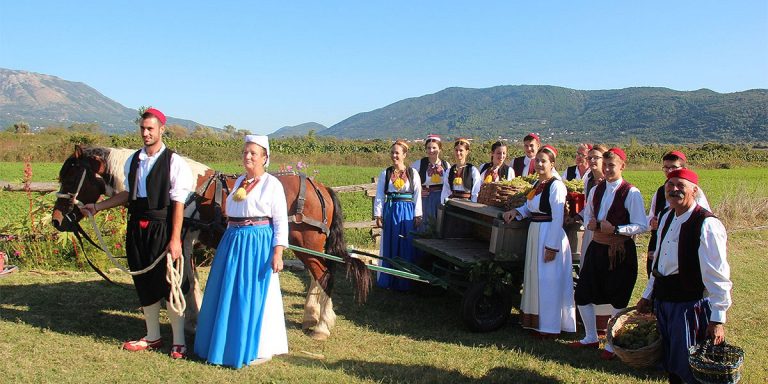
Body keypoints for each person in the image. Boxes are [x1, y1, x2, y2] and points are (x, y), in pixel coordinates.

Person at [80, 108, 194, 359]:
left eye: (150, 129)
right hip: (137, 227)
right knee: (144, 282)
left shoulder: (174, 162)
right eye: (143, 128)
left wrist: (175, 239)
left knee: (170, 282)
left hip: (163, 228)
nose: (145, 133)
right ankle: (152, 336)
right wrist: (98, 207)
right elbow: (128, 195)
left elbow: (177, 204)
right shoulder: (134, 160)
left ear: (162, 129)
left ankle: (179, 341)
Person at [194, 135, 289, 368]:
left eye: (253, 153)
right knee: (227, 290)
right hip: (234, 240)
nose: (247, 156)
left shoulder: (271, 184)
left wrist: (277, 252)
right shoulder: (239, 183)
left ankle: (258, 346)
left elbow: (280, 221)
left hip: (257, 242)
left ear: (265, 158)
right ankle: (225, 341)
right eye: (245, 152)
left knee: (252, 292)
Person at [637, 168, 731, 384]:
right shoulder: (667, 216)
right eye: (670, 185)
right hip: (664, 300)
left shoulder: (707, 224)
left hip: (690, 306)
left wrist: (717, 318)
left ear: (694, 190)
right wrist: (647, 294)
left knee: (691, 366)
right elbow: (660, 262)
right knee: (670, 362)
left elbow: (718, 275)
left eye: (681, 186)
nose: (674, 190)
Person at [569, 148, 648, 359]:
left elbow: (641, 225)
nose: (607, 168)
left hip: (620, 251)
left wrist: (616, 229)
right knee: (583, 292)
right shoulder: (596, 189)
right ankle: (591, 337)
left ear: (622, 166)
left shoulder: (631, 192)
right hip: (597, 247)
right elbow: (587, 214)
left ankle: (611, 344)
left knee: (618, 297)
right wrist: (591, 223)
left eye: (611, 165)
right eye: (605, 165)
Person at [503, 145, 576, 337]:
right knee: (536, 279)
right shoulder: (538, 185)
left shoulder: (556, 186)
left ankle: (549, 326)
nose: (540, 164)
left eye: (544, 161)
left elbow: (557, 217)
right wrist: (516, 212)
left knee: (548, 280)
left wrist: (551, 246)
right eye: (538, 160)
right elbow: (530, 208)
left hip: (549, 234)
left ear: (552, 164)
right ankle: (535, 322)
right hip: (535, 233)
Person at [646, 150, 711, 277]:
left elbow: (702, 219)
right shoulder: (660, 191)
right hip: (660, 239)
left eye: (674, 167)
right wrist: (652, 222)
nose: (669, 171)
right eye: (666, 168)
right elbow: (651, 215)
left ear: (684, 168)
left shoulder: (694, 192)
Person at [575, 144, 614, 335]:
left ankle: (604, 323)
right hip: (591, 231)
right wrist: (576, 216)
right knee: (587, 270)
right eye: (589, 158)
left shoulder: (614, 184)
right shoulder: (588, 179)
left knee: (604, 275)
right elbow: (587, 206)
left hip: (608, 235)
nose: (591, 161)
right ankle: (588, 320)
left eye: (595, 158)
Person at [374, 140, 423, 291]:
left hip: (407, 211)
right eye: (392, 152)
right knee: (391, 242)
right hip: (391, 210)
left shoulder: (412, 172)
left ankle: (404, 281)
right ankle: (388, 280)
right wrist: (378, 214)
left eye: (397, 153)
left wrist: (417, 215)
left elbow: (417, 194)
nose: (394, 155)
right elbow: (380, 196)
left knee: (406, 243)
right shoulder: (386, 173)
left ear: (404, 155)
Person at [410, 134, 450, 230]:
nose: (431, 151)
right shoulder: (418, 164)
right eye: (428, 148)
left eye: (434, 148)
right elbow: (409, 182)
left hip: (440, 199)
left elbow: (449, 184)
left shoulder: (446, 165)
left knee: (439, 224)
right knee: (424, 225)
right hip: (425, 199)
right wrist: (418, 193)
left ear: (440, 149)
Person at [441, 138, 482, 203]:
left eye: (461, 150)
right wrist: (443, 203)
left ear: (467, 152)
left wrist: (474, 207)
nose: (458, 153)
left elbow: (476, 192)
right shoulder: (449, 171)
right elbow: (446, 191)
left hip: (468, 205)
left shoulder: (473, 170)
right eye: (456, 150)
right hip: (453, 204)